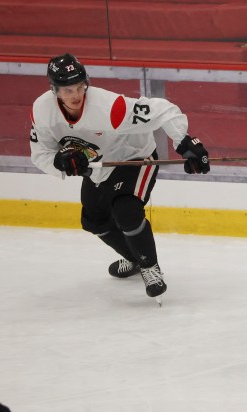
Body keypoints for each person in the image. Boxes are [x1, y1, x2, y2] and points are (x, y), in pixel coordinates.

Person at [30, 53, 210, 302]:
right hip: (98, 166)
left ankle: (150, 267)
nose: (76, 95)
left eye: (80, 86)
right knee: (94, 221)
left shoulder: (110, 107)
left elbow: (163, 110)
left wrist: (184, 141)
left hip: (134, 157)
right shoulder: (42, 111)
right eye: (67, 90)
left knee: (126, 210)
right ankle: (135, 259)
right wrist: (61, 163)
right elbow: (41, 154)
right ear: (54, 90)